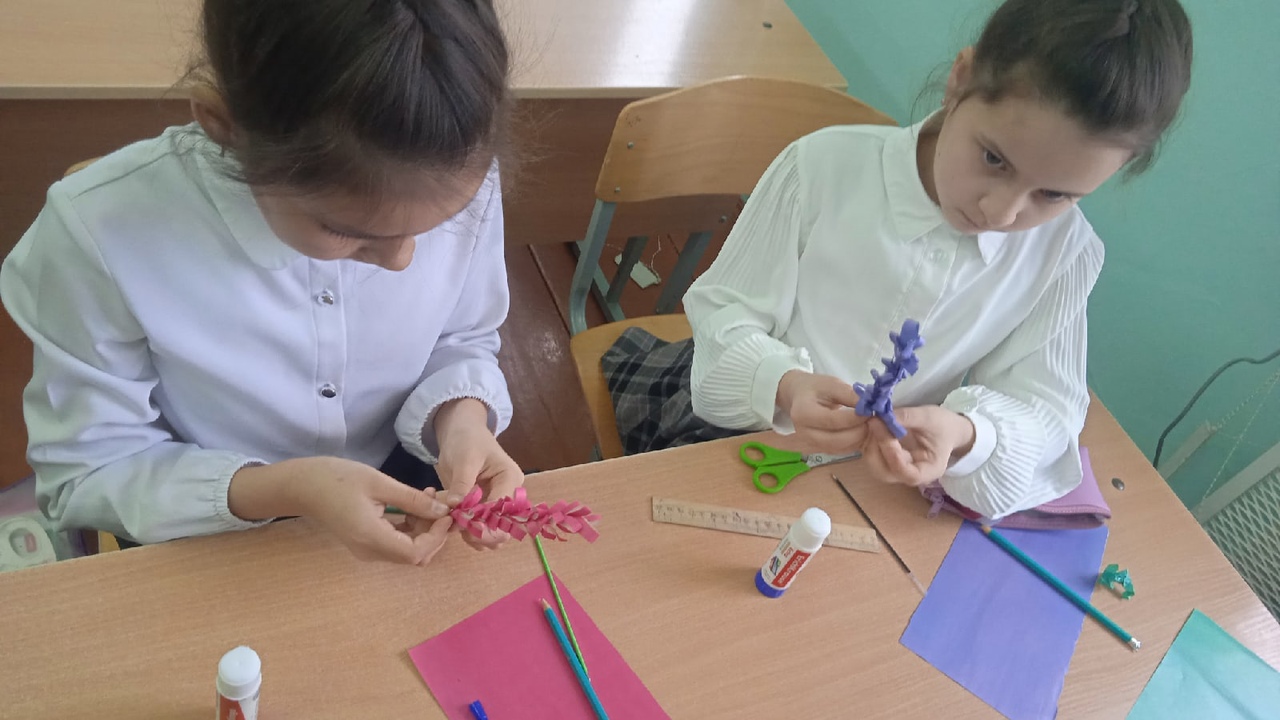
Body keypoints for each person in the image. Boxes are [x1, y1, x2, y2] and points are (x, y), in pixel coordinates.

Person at [607, 0, 1193, 520]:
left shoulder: (1065, 254)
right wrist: (783, 385)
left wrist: (967, 436)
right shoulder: (822, 167)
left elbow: (1047, 412)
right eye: (994, 159)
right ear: (959, 82)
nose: (1001, 210)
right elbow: (724, 313)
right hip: (746, 427)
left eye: (1055, 194)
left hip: (877, 484)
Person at [0, 0, 524, 563]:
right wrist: (286, 489)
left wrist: (462, 417)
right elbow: (89, 471)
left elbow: (461, 335)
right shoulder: (100, 233)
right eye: (345, 231)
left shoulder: (452, 160)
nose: (402, 261)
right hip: (199, 512)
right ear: (222, 126)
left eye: (440, 224)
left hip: (399, 469)